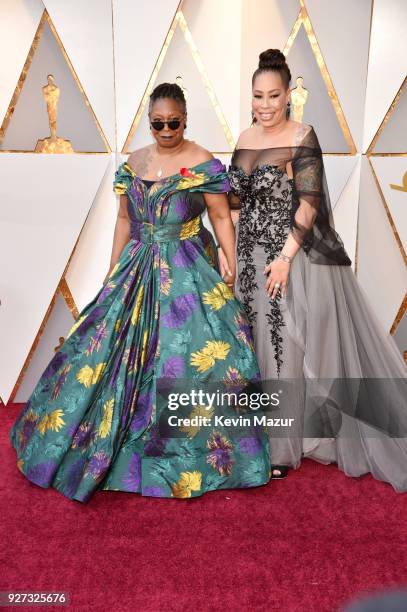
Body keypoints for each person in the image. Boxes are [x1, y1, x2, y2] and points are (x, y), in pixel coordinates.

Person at [10, 82, 271, 502]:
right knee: (96, 351)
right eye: (158, 123)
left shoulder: (203, 162)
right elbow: (123, 221)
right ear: (149, 121)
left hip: (185, 268)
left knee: (200, 352)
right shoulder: (134, 162)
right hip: (136, 266)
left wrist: (230, 258)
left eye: (174, 122)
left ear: (185, 118)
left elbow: (221, 216)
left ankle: (189, 453)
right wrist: (113, 268)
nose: (166, 130)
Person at [224, 49, 407, 489]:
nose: (265, 105)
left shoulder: (302, 135)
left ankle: (283, 448)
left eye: (273, 96)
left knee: (282, 348)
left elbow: (309, 203)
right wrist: (227, 255)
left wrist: (285, 259)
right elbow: (232, 205)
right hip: (248, 258)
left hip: (286, 258)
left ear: (288, 95)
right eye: (257, 96)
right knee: (255, 348)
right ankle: (260, 436)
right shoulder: (245, 138)